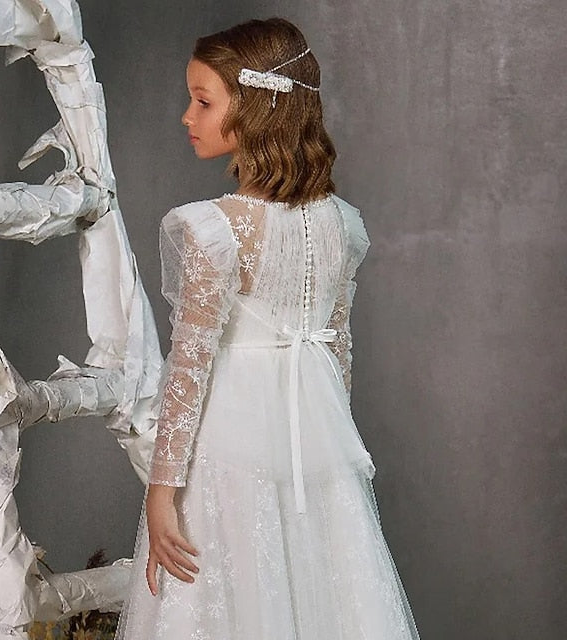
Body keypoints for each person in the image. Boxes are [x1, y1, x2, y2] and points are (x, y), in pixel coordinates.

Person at [115, 17, 420, 640]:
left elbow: (190, 365)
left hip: (231, 447)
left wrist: (162, 490)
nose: (186, 116)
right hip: (318, 449)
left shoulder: (217, 229)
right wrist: (326, 439)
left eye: (203, 101)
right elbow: (338, 355)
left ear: (255, 108)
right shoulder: (344, 225)